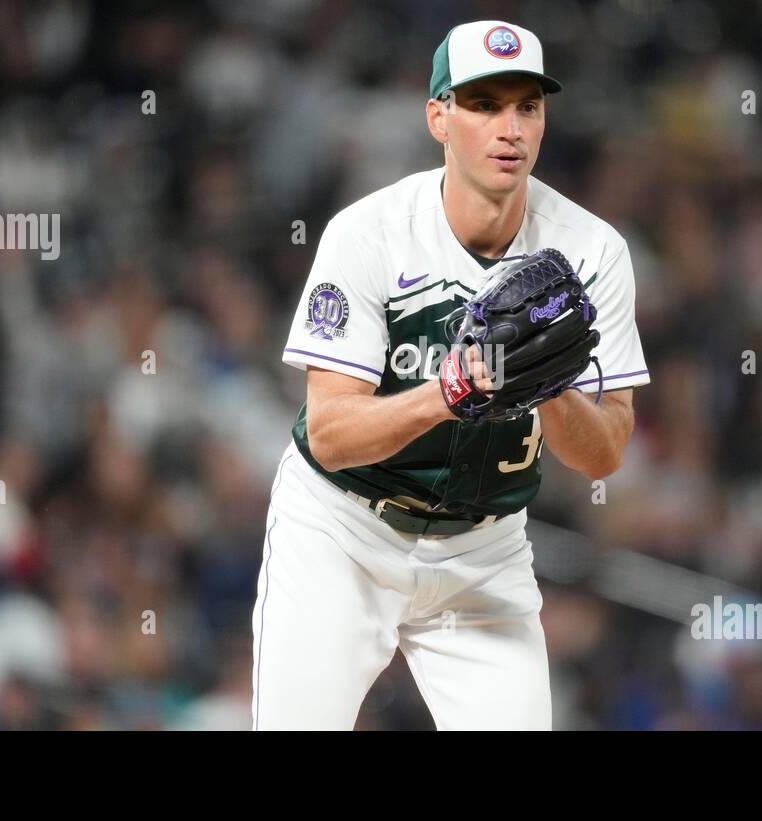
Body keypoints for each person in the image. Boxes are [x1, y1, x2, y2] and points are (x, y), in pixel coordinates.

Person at [252, 19, 650, 730]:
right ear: (438, 116)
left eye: (527, 105)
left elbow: (605, 452)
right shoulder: (368, 234)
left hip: (483, 549)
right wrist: (449, 393)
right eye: (484, 103)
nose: (510, 127)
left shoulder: (593, 251)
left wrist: (551, 384)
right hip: (342, 533)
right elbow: (330, 432)